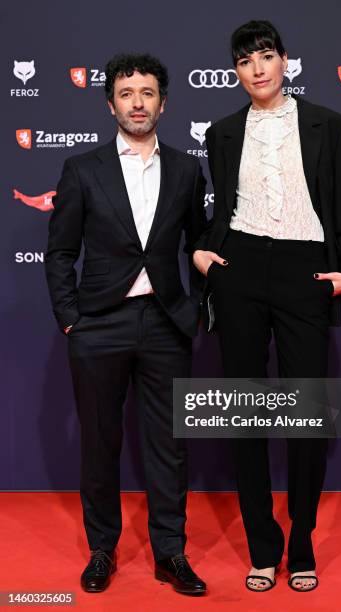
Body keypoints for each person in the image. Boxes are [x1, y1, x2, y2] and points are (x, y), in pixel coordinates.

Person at [194, 20, 341, 592]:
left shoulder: (329, 125)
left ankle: (303, 540)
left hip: (304, 269)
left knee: (305, 417)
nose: (257, 68)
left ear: (284, 61)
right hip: (238, 269)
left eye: (266, 56)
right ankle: (262, 546)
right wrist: (203, 256)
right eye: (245, 61)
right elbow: (220, 212)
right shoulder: (220, 133)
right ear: (235, 71)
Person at [45, 53, 207, 595]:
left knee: (169, 445)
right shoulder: (82, 169)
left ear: (164, 102)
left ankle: (171, 553)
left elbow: (200, 245)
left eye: (147, 93)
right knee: (100, 442)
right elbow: (61, 250)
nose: (137, 103)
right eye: (126, 93)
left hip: (165, 325)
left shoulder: (187, 168)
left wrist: (197, 308)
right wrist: (71, 319)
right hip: (99, 326)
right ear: (110, 102)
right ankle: (100, 551)